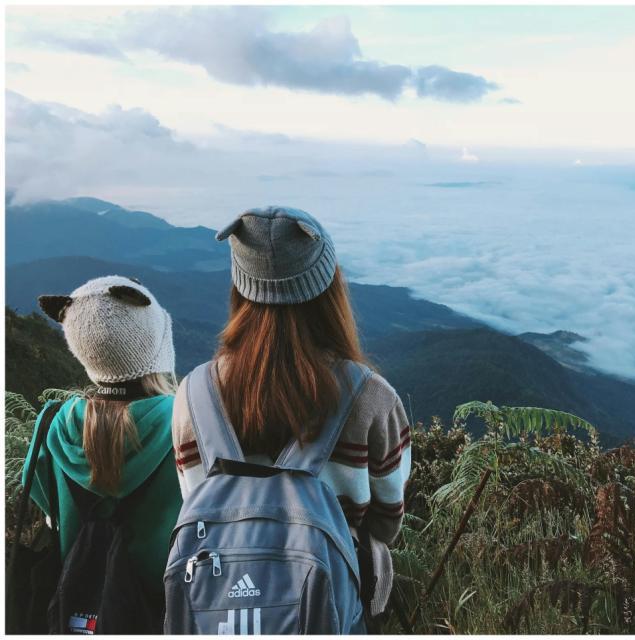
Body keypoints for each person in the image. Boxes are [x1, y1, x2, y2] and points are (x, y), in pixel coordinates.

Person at [171, 206, 411, 629]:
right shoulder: (371, 398)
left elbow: (194, 502)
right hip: (334, 596)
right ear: (328, 288)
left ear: (239, 288)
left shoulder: (193, 395)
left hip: (216, 600)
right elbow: (387, 523)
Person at [24, 275, 182, 630]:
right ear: (156, 346)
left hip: (80, 600)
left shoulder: (54, 424)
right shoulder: (184, 422)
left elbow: (39, 491)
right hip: (163, 607)